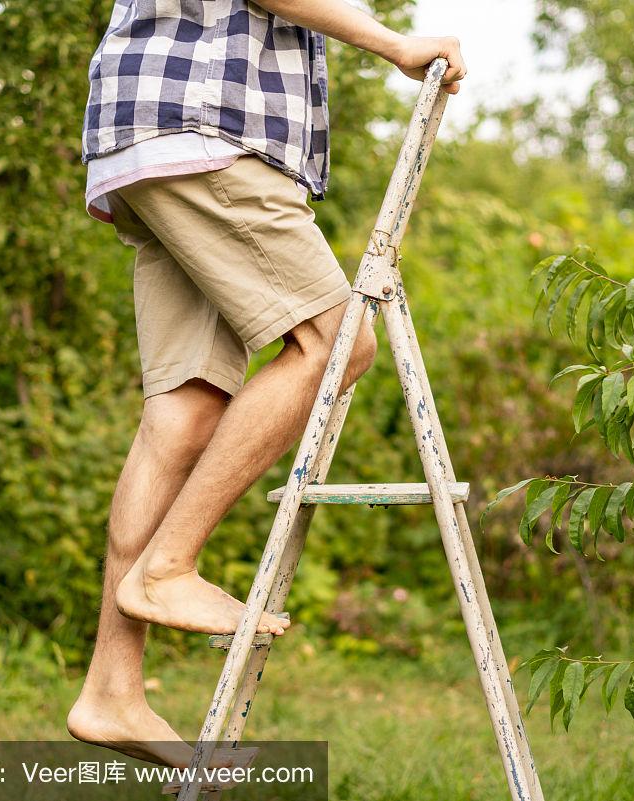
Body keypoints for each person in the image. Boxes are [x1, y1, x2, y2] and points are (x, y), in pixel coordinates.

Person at [66, 0, 465, 767]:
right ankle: (168, 566)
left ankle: (112, 688)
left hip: (152, 134)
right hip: (204, 129)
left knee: (182, 414)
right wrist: (392, 43)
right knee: (332, 343)